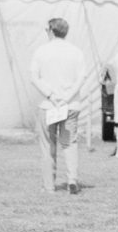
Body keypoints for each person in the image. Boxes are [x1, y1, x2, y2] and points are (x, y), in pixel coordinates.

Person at [30, 18, 90, 194]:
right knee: (69, 143)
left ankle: (49, 185)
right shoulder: (76, 52)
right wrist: (67, 97)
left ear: (50, 30)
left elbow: (34, 77)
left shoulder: (41, 51)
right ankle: (72, 179)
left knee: (48, 144)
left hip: (48, 104)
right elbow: (81, 78)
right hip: (70, 104)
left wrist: (50, 95)